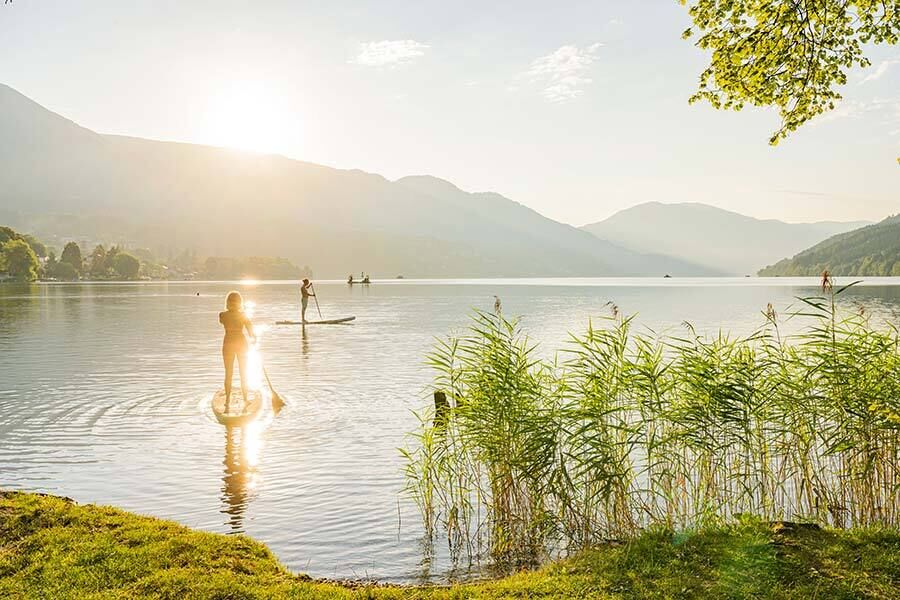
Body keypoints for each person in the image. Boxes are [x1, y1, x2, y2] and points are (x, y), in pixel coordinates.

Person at [219, 291, 255, 409]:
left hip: (228, 343)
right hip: (241, 344)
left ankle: (228, 400)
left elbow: (224, 321)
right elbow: (251, 333)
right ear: (240, 303)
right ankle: (245, 399)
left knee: (228, 373)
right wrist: (253, 338)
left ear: (228, 302)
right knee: (243, 372)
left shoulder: (222, 315)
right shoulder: (243, 316)